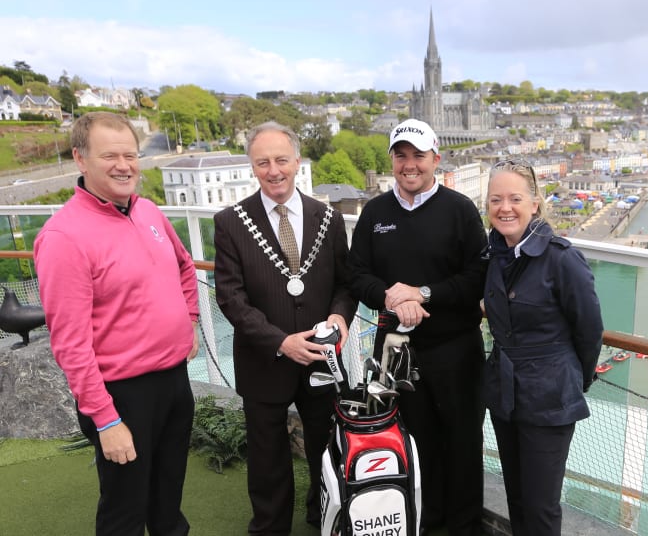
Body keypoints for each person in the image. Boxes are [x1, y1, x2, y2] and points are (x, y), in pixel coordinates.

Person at [35, 111, 201, 535]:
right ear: (80, 159)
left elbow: (185, 267)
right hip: (121, 394)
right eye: (110, 156)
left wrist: (190, 321)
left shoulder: (148, 211)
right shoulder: (63, 238)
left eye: (130, 155)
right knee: (124, 511)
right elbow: (70, 345)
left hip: (174, 381)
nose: (124, 165)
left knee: (168, 501)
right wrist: (106, 421)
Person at [213, 121, 356, 534]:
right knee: (266, 456)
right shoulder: (230, 223)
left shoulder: (328, 217)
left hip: (322, 359)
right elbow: (231, 298)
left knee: (326, 449)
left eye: (281, 160)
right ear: (252, 166)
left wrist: (339, 316)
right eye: (263, 162)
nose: (273, 171)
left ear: (297, 161)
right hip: (264, 360)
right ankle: (271, 526)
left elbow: (345, 284)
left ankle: (324, 515)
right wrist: (280, 342)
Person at [348, 118, 488, 535]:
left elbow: (477, 277)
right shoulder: (374, 213)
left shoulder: (460, 210)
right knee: (411, 440)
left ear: (436, 159)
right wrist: (392, 296)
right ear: (392, 160)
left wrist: (423, 293)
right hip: (394, 349)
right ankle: (425, 522)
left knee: (464, 442)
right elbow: (357, 275)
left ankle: (464, 528)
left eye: (418, 156)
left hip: (456, 347)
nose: (410, 164)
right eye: (401, 155)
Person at [483, 160, 604, 535]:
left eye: (515, 199)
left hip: (549, 397)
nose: (505, 208)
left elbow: (590, 331)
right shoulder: (494, 254)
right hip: (505, 394)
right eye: (496, 200)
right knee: (517, 497)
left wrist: (576, 381)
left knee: (541, 506)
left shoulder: (562, 259)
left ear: (535, 204)